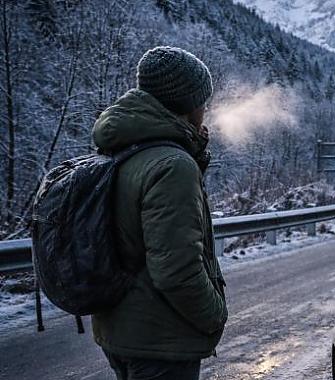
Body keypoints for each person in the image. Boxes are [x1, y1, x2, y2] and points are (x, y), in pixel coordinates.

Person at [90, 46, 227, 380]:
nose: (205, 108)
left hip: (120, 328)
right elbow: (176, 269)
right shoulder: (172, 165)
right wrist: (214, 316)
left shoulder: (122, 146)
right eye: (202, 100)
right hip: (160, 339)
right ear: (187, 104)